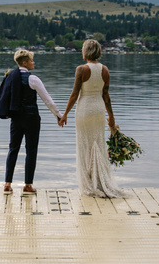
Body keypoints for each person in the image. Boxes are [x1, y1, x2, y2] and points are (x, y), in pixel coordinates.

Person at [58, 40, 125, 198]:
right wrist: (111, 116)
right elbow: (106, 95)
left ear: (85, 51)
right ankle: (100, 182)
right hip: (99, 109)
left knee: (85, 145)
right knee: (98, 143)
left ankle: (89, 184)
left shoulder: (81, 69)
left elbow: (75, 94)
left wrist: (65, 114)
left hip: (85, 109)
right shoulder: (105, 70)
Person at [0, 49, 61, 193]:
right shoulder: (33, 79)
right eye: (32, 60)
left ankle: (7, 184)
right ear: (25, 63)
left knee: (13, 149)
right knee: (31, 150)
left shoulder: (10, 77)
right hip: (31, 118)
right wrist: (58, 115)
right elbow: (48, 100)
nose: (34, 62)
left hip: (16, 118)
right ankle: (27, 185)